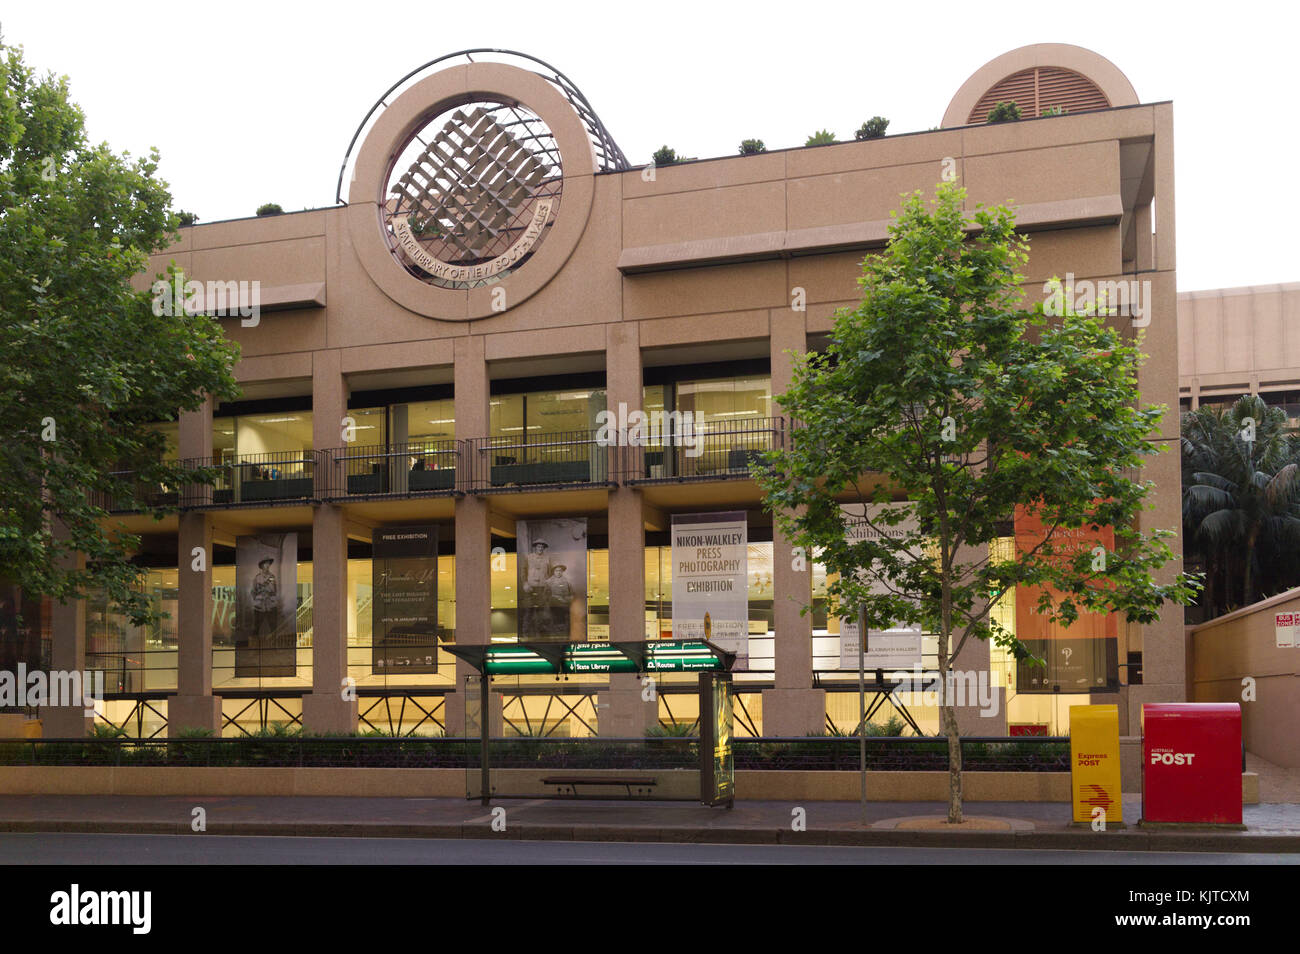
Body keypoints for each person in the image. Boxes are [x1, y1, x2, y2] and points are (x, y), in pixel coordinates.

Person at [521, 540, 552, 637]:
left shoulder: (548, 558)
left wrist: (548, 584)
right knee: (529, 610)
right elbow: (523, 571)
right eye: (538, 546)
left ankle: (540, 634)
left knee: (542, 611)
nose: (540, 548)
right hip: (530, 587)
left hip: (542, 588)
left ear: (544, 548)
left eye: (542, 547)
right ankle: (525, 633)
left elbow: (550, 573)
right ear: (535, 547)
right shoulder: (528, 557)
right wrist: (525, 583)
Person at [251, 556, 280, 642]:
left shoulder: (272, 577)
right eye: (265, 563)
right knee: (256, 627)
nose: (267, 565)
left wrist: (269, 594)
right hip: (259, 606)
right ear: (262, 565)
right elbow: (253, 591)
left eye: (268, 563)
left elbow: (275, 590)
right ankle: (254, 647)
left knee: (273, 627)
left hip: (271, 605)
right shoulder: (257, 578)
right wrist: (257, 598)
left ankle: (274, 646)